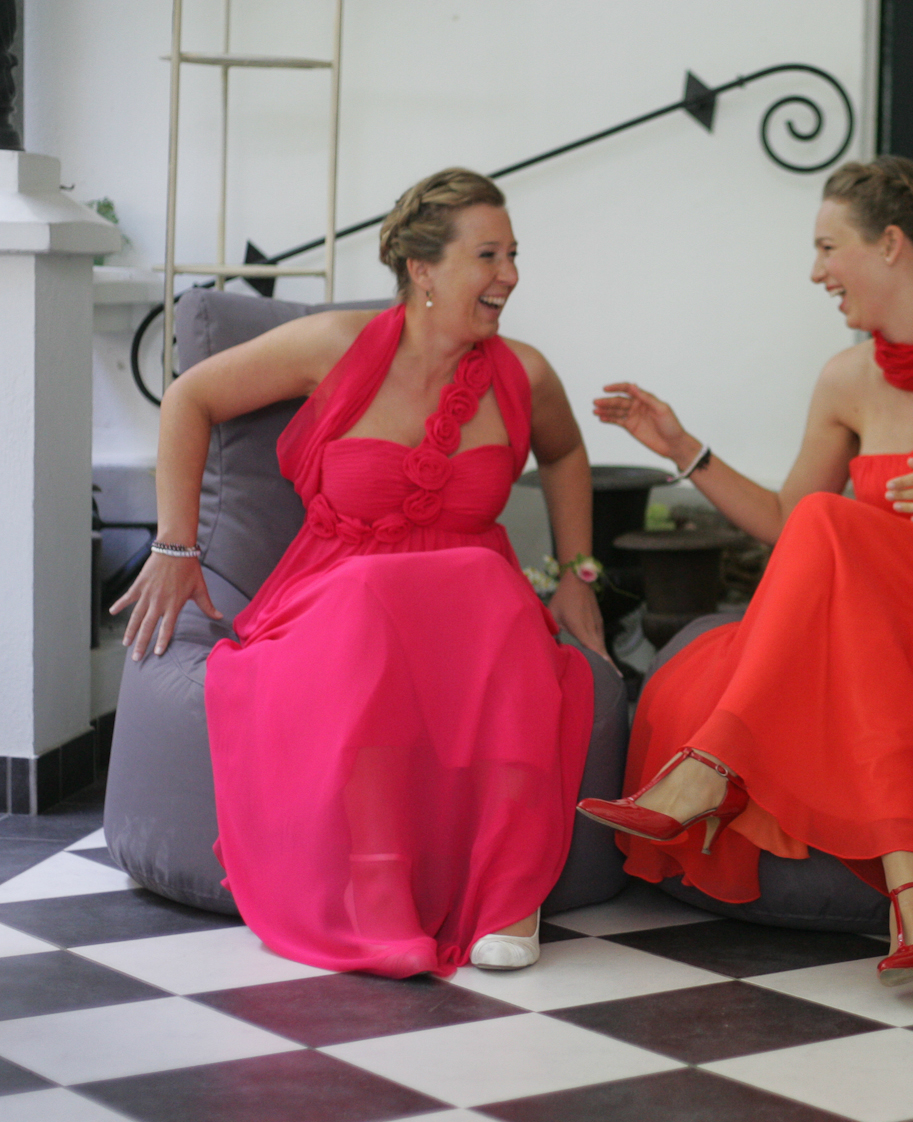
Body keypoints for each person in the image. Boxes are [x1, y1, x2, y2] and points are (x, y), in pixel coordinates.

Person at [578, 155, 913, 985]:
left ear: (890, 244)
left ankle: (713, 765)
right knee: (825, 567)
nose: (816, 271)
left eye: (828, 248)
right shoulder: (843, 380)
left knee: (831, 527)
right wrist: (684, 448)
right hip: (891, 613)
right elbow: (789, 523)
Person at [111, 168, 607, 978]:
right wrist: (175, 545)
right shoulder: (334, 345)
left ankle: (509, 896)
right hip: (338, 597)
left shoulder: (527, 373)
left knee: (493, 590)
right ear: (422, 269)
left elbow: (565, 451)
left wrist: (578, 572)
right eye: (488, 255)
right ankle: (377, 890)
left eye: (514, 254)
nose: (511, 275)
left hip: (475, 618)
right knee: (374, 597)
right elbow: (189, 398)